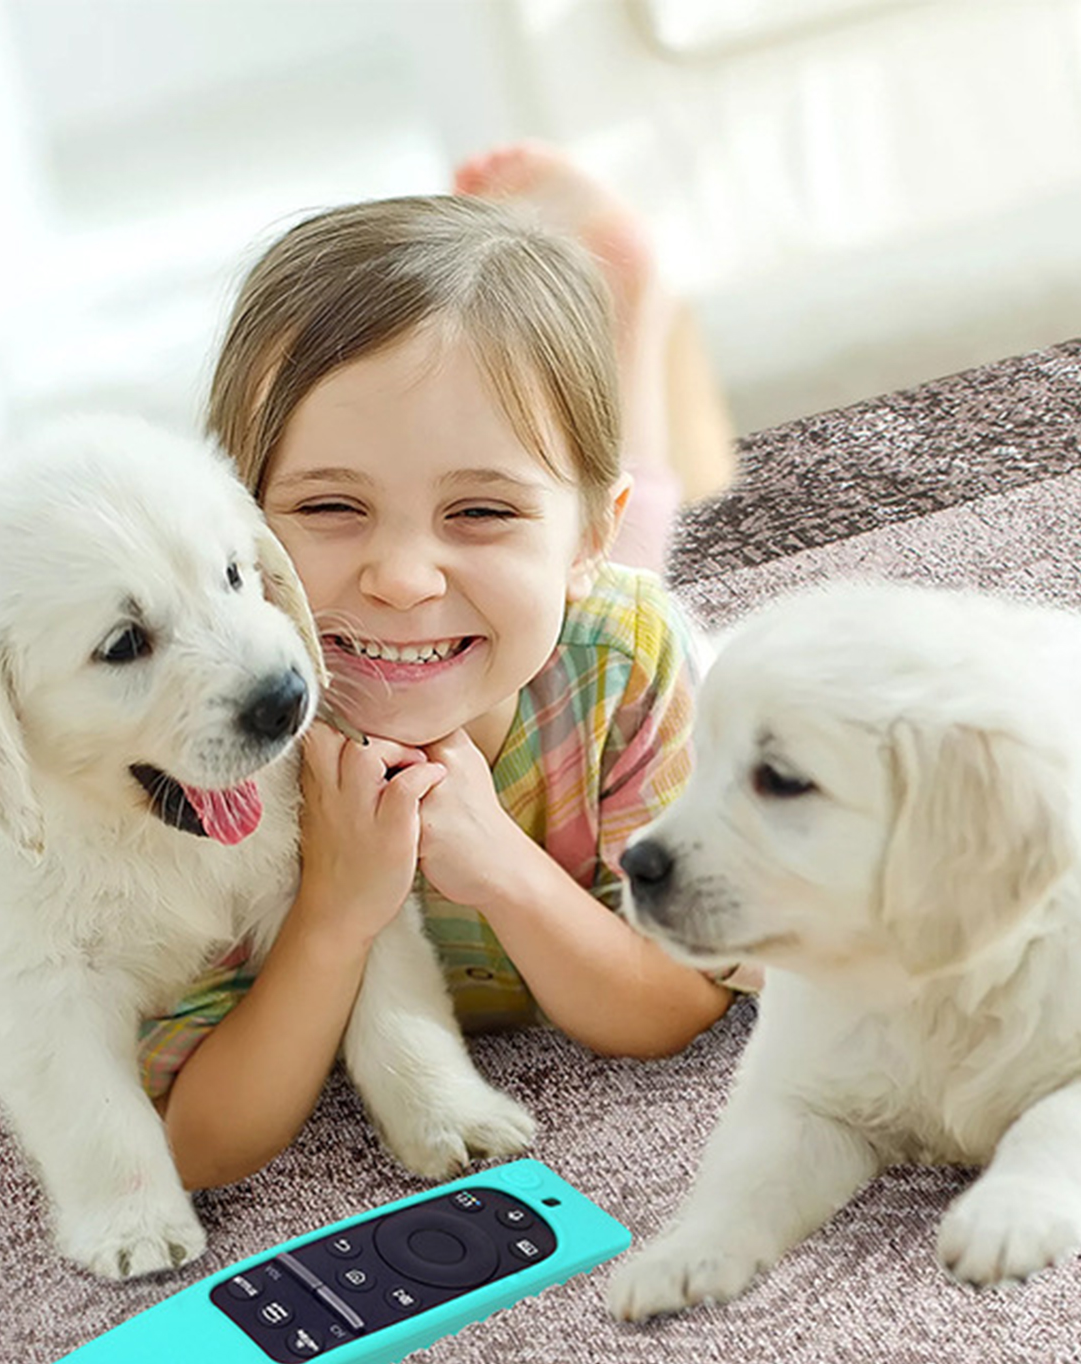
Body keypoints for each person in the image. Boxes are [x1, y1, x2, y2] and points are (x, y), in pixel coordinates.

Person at [148, 143, 748, 1192]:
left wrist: (500, 867)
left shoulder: (622, 661)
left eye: (477, 510)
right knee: (527, 587)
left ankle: (634, 307)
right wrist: (334, 911)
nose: (400, 576)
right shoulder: (211, 738)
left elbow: (675, 1005)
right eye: (329, 505)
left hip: (578, 622)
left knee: (633, 575)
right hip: (510, 619)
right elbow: (191, 1143)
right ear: (225, 520)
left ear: (578, 539)